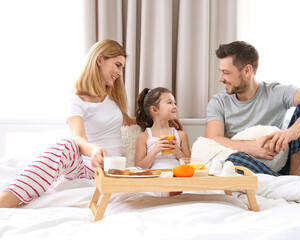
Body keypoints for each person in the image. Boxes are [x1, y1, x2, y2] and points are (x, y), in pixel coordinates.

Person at [0, 40, 181, 208]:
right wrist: (93, 150)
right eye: (117, 65)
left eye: (122, 68)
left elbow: (131, 122)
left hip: (115, 170)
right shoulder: (75, 99)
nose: (120, 72)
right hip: (87, 169)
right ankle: (6, 199)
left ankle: (165, 191)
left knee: (144, 171)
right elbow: (78, 137)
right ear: (100, 59)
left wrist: (163, 118)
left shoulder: (111, 99)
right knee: (66, 144)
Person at [205, 41, 300, 176]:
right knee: (232, 161)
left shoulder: (275, 92)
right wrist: (252, 147)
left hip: (279, 166)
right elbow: (212, 139)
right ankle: (288, 186)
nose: (221, 79)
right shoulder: (218, 102)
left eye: (226, 73)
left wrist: (293, 131)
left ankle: (296, 180)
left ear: (247, 70)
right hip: (244, 164)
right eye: (221, 72)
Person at [135, 87, 191, 170]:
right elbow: (139, 168)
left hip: (176, 177)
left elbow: (189, 165)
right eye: (169, 102)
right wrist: (154, 151)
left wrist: (177, 151)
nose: (175, 106)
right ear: (154, 110)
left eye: (175, 103)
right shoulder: (143, 137)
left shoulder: (181, 135)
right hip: (155, 178)